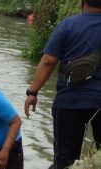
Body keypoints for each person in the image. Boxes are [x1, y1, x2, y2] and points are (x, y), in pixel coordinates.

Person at [24, 1, 101, 168]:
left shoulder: (68, 25)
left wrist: (33, 92)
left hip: (70, 102)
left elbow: (48, 62)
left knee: (66, 158)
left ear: (82, 3)